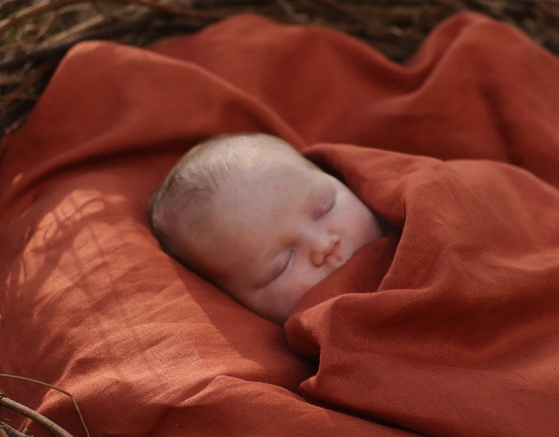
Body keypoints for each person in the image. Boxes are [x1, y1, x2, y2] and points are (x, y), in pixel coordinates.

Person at [149, 133, 388, 322]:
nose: (323, 245)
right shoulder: (333, 349)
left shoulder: (407, 209)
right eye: (282, 265)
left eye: (324, 208)